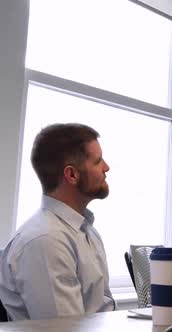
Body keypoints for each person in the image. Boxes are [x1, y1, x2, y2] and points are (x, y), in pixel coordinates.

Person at [0, 123, 115, 320]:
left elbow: (103, 314)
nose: (106, 168)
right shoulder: (45, 240)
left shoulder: (86, 231)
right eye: (98, 161)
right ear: (71, 174)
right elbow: (64, 330)